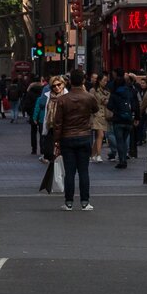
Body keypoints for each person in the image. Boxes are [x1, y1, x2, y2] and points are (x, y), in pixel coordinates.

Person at [49, 72, 102, 211]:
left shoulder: (62, 100)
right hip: (84, 136)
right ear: (84, 80)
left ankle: (69, 202)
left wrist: (56, 141)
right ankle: (85, 202)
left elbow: (58, 122)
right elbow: (96, 109)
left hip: (67, 138)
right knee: (84, 171)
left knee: (70, 172)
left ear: (70, 81)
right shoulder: (89, 97)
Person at [36, 75, 66, 192]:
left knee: (60, 155)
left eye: (59, 85)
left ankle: (60, 180)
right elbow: (42, 104)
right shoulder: (49, 96)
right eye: (54, 86)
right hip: (51, 128)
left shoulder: (66, 96)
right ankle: (54, 180)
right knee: (50, 154)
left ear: (63, 84)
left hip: (63, 130)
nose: (57, 87)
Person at [108, 73, 140, 167]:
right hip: (129, 120)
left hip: (118, 120)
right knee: (125, 140)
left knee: (119, 141)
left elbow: (109, 106)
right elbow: (136, 105)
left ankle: (122, 161)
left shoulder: (114, 94)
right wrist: (137, 117)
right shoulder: (131, 92)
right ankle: (124, 157)